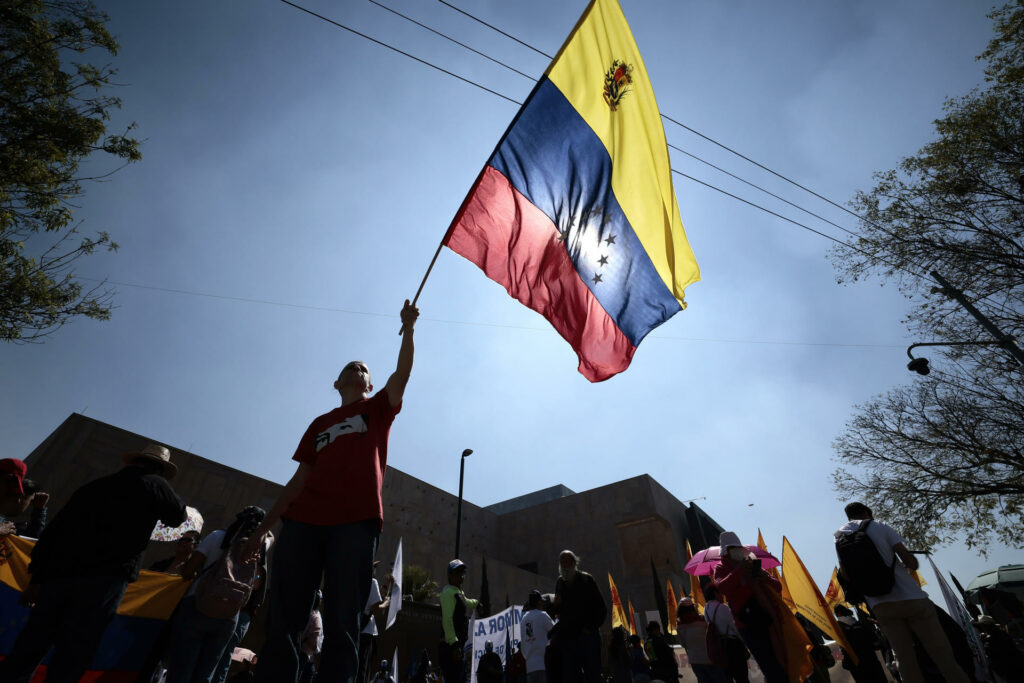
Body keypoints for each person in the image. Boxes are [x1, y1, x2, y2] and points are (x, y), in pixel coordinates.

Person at [247, 299, 419, 683]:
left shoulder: (377, 410)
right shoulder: (319, 424)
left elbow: (402, 375)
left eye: (364, 369)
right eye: (350, 367)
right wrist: (261, 532)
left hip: (355, 523)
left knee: (344, 622)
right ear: (337, 383)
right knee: (283, 619)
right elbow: (297, 481)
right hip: (303, 523)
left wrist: (408, 329)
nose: (358, 369)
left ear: (370, 385)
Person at [0, 444, 186, 683]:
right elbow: (177, 516)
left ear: (130, 462)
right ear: (159, 470)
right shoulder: (155, 485)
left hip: (59, 577)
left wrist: (37, 579)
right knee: (75, 651)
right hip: (104, 582)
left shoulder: (92, 487)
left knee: (32, 643)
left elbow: (53, 534)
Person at [834, 502, 971, 683]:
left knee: (904, 659)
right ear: (867, 512)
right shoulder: (879, 526)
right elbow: (910, 562)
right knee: (941, 654)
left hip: (880, 605)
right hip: (912, 599)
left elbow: (845, 575)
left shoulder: (840, 537)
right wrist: (907, 563)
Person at [166, 506, 266, 683]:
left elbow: (188, 571)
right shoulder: (257, 549)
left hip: (197, 604)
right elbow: (256, 585)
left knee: (181, 668)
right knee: (206, 673)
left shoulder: (216, 537)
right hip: (229, 615)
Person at [711, 532, 785, 683]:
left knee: (784, 660)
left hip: (769, 619)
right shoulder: (721, 568)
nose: (737, 550)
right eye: (733, 548)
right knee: (770, 665)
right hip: (748, 624)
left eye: (738, 547)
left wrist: (765, 577)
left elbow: (778, 587)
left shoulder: (751, 562)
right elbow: (723, 587)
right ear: (726, 551)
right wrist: (739, 571)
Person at [552, 550, 606, 683]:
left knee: (592, 675)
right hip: (569, 640)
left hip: (587, 637)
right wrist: (556, 605)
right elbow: (558, 611)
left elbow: (601, 608)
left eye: (567, 561)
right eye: (561, 562)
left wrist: (590, 628)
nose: (564, 565)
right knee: (571, 676)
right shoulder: (560, 583)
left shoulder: (586, 579)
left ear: (574, 562)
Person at [439, 559, 479, 683]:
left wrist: (477, 603)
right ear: (450, 576)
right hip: (450, 648)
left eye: (462, 573)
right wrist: (455, 645)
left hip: (458, 648)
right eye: (457, 573)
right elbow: (447, 620)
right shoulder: (448, 593)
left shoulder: (458, 592)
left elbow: (467, 602)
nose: (461, 576)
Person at [703, 583, 748, 683]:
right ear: (715, 593)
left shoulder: (706, 609)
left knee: (728, 678)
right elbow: (734, 626)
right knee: (742, 678)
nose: (722, 596)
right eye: (720, 593)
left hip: (720, 647)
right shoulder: (722, 607)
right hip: (733, 646)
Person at [832, 604, 887, 683]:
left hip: (854, 662)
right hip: (870, 659)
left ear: (838, 613)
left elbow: (828, 636)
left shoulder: (837, 627)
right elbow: (875, 642)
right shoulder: (859, 623)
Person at [676, 597, 725, 683]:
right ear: (693, 608)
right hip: (711, 658)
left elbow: (683, 644)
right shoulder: (704, 620)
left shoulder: (679, 626)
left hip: (695, 661)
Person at [359, 562, 392, 683]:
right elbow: (376, 609)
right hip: (366, 635)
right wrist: (386, 603)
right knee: (363, 670)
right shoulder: (372, 582)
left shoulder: (356, 579)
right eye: (374, 567)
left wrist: (386, 586)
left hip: (356, 631)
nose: (375, 570)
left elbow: (372, 598)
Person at [521, 590, 555, 683]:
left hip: (530, 667)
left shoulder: (523, 619)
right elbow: (555, 631)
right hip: (543, 665)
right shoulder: (542, 615)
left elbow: (523, 646)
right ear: (539, 602)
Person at [299, 591, 324, 683]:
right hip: (307, 659)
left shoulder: (304, 611)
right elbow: (314, 642)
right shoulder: (316, 616)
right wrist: (317, 654)